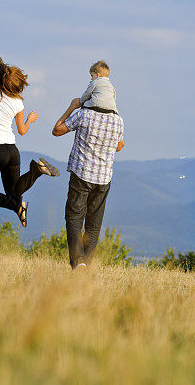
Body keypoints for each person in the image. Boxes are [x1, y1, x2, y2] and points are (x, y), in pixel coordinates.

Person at [0, 55, 59, 227]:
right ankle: (35, 171)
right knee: (14, 193)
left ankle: (17, 205)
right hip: (12, 151)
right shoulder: (17, 103)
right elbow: (22, 130)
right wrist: (29, 120)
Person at [52, 94, 125, 269]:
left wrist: (72, 107)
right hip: (103, 178)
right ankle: (86, 266)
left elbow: (57, 130)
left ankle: (78, 262)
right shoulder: (118, 120)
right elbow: (120, 146)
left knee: (74, 217)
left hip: (82, 174)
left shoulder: (84, 114)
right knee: (94, 225)